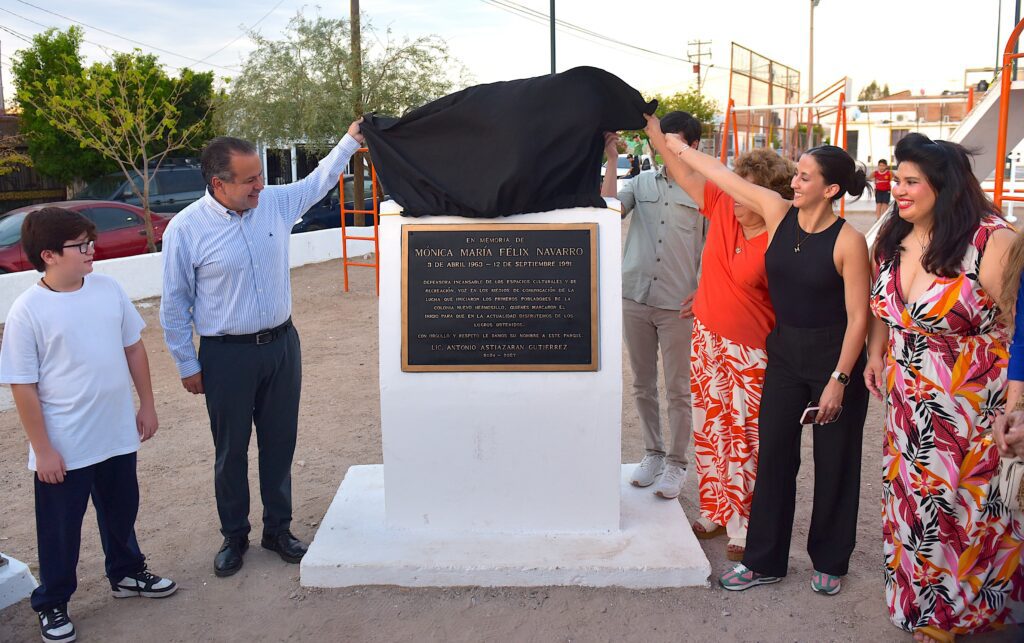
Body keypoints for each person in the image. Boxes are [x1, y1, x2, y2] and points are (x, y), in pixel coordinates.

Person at [661, 119, 872, 596]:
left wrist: (839, 379)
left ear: (831, 189)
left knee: (835, 463)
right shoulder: (778, 213)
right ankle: (764, 561)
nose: (794, 183)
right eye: (795, 174)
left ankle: (831, 561)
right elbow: (719, 173)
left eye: (805, 177)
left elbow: (859, 317)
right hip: (784, 354)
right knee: (773, 459)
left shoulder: (848, 241)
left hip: (833, 359)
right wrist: (674, 145)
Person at [161, 119, 364, 578]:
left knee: (279, 444)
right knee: (230, 452)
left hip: (281, 347)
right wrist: (186, 363)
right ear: (219, 183)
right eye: (250, 178)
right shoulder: (186, 229)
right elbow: (174, 304)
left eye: (261, 175)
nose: (261, 185)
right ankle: (234, 537)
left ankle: (279, 530)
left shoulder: (272, 204)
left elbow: (317, 181)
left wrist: (350, 140)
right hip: (226, 355)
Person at [867, 133, 1023, 642]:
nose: (898, 189)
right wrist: (874, 355)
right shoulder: (894, 233)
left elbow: (1019, 328)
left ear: (946, 185)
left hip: (973, 405)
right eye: (897, 178)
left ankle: (950, 616)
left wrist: (1019, 402)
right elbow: (886, 310)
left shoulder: (992, 242)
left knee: (966, 511)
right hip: (908, 404)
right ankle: (926, 605)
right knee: (912, 506)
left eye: (912, 181)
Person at [0, 207, 176, 643]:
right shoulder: (27, 311)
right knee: (61, 529)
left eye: (89, 241)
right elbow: (22, 386)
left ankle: (127, 573)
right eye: (80, 245)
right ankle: (53, 602)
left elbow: (133, 349)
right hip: (66, 444)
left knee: (122, 511)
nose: (90, 250)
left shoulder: (108, 289)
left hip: (115, 433)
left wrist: (147, 405)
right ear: (49, 255)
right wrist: (43, 450)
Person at [647, 115, 795, 562]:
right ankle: (714, 511)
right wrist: (656, 134)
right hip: (707, 340)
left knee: (743, 437)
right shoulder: (722, 210)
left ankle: (744, 524)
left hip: (749, 352)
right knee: (709, 430)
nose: (734, 198)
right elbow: (687, 173)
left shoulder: (778, 233)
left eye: (743, 191)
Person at [601, 111, 708, 500]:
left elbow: (716, 249)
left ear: (692, 145)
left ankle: (678, 463)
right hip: (635, 296)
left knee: (678, 388)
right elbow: (606, 211)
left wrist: (703, 292)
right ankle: (653, 454)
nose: (664, 148)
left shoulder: (703, 191)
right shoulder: (641, 182)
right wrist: (613, 159)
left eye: (674, 140)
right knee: (642, 383)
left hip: (679, 304)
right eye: (659, 140)